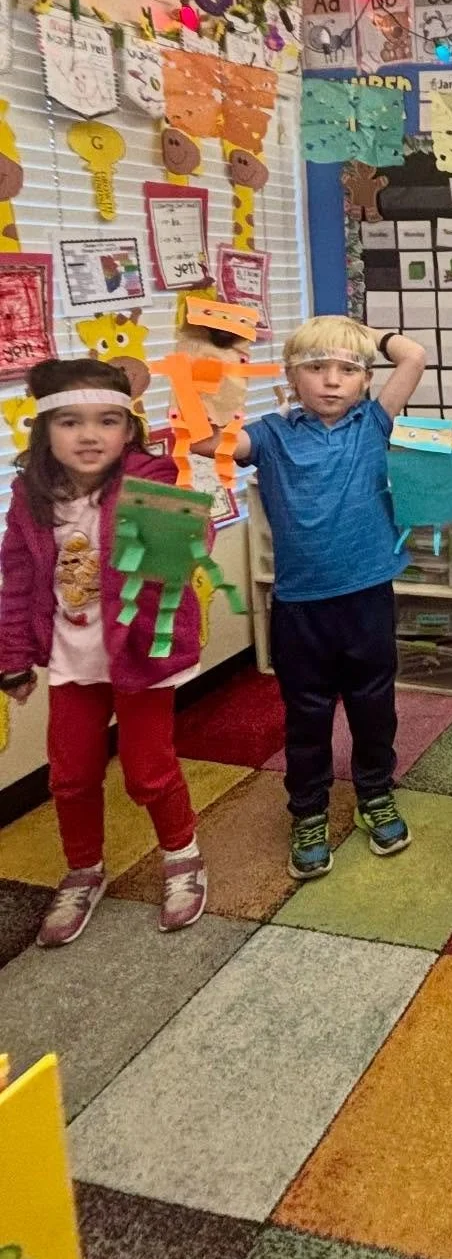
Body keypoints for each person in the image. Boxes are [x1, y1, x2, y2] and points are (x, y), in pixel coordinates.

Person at [0, 359, 207, 946]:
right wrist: (12, 653)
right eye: (70, 422)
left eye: (107, 422)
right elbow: (16, 576)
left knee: (149, 771)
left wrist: (174, 522)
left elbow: (187, 544)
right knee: (69, 775)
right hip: (72, 661)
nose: (89, 436)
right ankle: (84, 868)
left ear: (128, 431)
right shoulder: (31, 498)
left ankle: (181, 855)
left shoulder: (149, 480)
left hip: (141, 654)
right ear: (44, 431)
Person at [217, 315, 429, 880]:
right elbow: (214, 441)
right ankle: (307, 811)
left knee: (373, 707)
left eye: (347, 370)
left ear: (364, 381)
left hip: (366, 598)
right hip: (300, 606)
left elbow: (413, 357)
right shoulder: (271, 433)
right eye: (316, 368)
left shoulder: (373, 424)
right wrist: (221, 368)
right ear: (290, 376)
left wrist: (367, 334)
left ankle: (375, 794)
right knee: (306, 716)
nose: (332, 381)